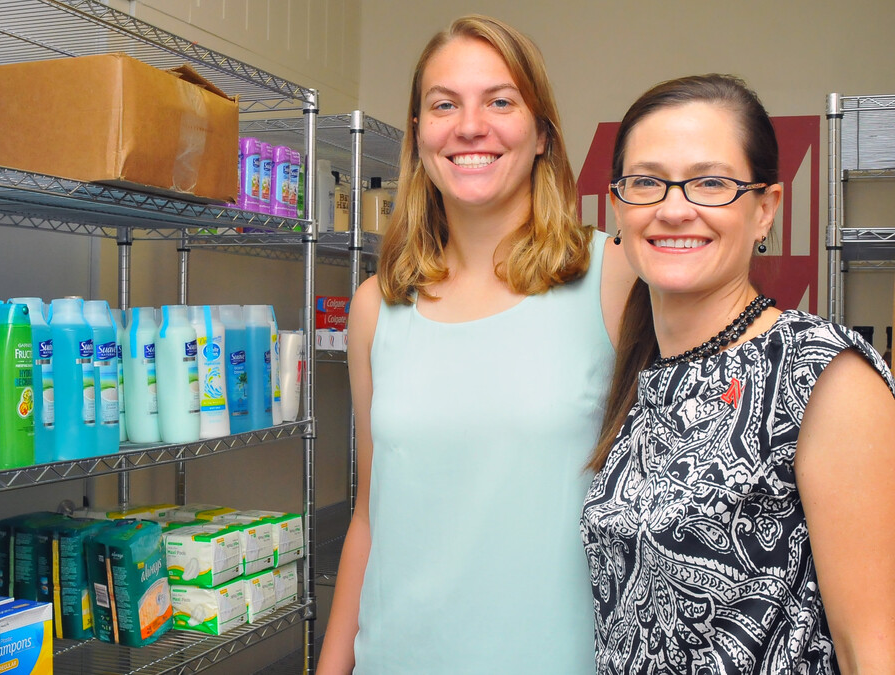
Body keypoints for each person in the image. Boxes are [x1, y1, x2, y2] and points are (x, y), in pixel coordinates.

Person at [318, 15, 635, 674]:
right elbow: (371, 518)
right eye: (444, 104)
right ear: (417, 136)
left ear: (543, 132)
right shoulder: (380, 306)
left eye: (500, 100)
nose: (469, 125)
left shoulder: (610, 276)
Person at [581, 74, 895, 674]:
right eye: (647, 182)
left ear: (764, 209)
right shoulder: (643, 371)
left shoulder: (823, 375)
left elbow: (871, 652)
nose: (675, 209)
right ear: (619, 207)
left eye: (711, 183)